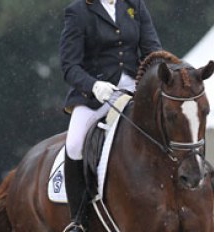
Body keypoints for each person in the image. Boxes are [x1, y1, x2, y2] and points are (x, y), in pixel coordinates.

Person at [59, 0, 162, 230]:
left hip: (136, 89)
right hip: (97, 94)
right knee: (75, 144)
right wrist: (93, 85)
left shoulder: (134, 5)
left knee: (174, 126)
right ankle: (78, 220)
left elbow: (153, 50)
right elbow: (69, 65)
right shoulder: (78, 11)